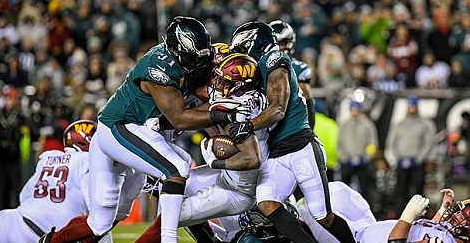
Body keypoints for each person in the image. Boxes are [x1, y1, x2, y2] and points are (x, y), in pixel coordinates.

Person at [39, 16, 247, 243]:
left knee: (102, 223)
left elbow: (201, 113)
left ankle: (51, 241)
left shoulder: (199, 65)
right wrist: (222, 111)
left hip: (143, 135)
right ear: (175, 50)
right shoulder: (159, 67)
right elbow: (179, 119)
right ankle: (169, 239)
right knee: (176, 168)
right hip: (118, 129)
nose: (202, 65)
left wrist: (227, 134)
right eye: (193, 58)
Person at [229, 21, 355, 243]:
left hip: (300, 147)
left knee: (322, 216)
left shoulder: (274, 60)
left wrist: (248, 126)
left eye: (241, 51)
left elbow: (277, 109)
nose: (240, 59)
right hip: (278, 152)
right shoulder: (258, 71)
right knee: (267, 203)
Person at [137, 53, 269, 243]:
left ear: (240, 85)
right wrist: (164, 124)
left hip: (237, 191)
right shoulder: (250, 99)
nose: (217, 84)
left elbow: (252, 158)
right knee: (173, 194)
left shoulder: (240, 111)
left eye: (224, 81)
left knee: (169, 215)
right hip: (228, 177)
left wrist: (215, 161)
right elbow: (205, 110)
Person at [0, 120, 112, 243]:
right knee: (102, 229)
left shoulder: (49, 157)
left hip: (21, 223)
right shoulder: (88, 161)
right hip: (56, 234)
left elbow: (24, 195)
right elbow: (97, 210)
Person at [385, 96, 437, 217]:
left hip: (417, 164)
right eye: (410, 105)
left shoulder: (424, 124)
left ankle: (420, 217)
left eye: (414, 105)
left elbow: (428, 143)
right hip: (401, 162)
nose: (411, 108)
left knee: (418, 191)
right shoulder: (399, 124)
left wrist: (418, 159)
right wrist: (398, 158)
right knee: (402, 192)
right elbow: (392, 142)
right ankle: (401, 217)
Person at [269, 20, 315, 129]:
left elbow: (308, 107)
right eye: (275, 43)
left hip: (290, 123)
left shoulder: (298, 69)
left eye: (282, 43)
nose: (278, 48)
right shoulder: (259, 66)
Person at [337, 100, 378, 204]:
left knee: (365, 189)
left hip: (363, 163)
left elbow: (372, 143)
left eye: (356, 109)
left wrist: (365, 157)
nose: (354, 112)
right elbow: (339, 144)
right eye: (352, 109)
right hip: (347, 162)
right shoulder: (344, 125)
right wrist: (345, 158)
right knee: (344, 190)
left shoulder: (367, 125)